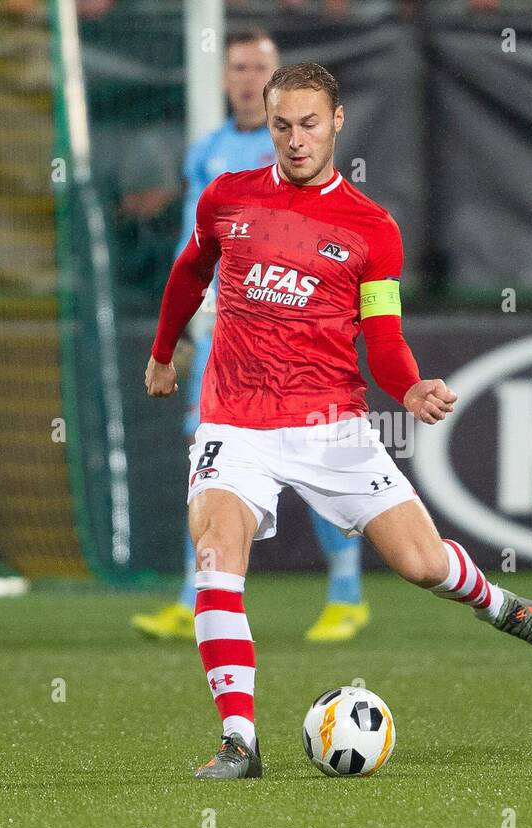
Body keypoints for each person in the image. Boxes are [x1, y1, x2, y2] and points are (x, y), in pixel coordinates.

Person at [145, 62, 532, 780]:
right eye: (281, 124)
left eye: (309, 123)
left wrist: (408, 387)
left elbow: (382, 337)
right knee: (217, 555)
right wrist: (164, 352)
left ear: (337, 121)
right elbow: (191, 272)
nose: (295, 139)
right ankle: (239, 740)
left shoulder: (372, 229)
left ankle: (497, 602)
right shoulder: (227, 199)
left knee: (421, 563)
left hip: (331, 424)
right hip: (237, 419)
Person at [131, 30, 373, 645]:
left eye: (258, 68)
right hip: (221, 334)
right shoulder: (206, 153)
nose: (245, 78)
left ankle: (346, 593)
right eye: (237, 67)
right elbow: (195, 251)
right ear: (224, 78)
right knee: (207, 465)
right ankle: (194, 597)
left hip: (291, 329)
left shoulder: (291, 152)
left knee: (320, 463)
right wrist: (182, 330)